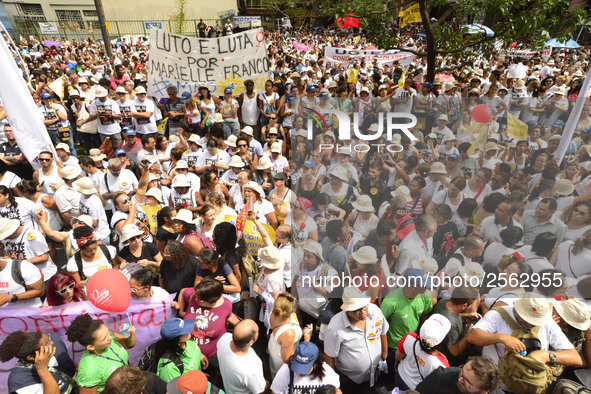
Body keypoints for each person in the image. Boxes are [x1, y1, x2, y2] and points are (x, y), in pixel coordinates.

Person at [324, 286, 389, 394]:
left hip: (373, 373)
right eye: (356, 309)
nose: (362, 311)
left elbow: (383, 331)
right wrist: (333, 383)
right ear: (347, 310)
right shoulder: (335, 327)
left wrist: (384, 353)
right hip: (350, 379)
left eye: (364, 306)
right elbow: (329, 356)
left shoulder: (376, 311)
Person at [66, 314, 136, 393]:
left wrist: (129, 336)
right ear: (91, 347)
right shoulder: (89, 370)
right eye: (104, 339)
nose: (110, 338)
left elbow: (129, 345)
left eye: (108, 332)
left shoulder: (108, 336)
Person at [178, 277, 240, 362]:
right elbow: (182, 292)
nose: (195, 298)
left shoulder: (225, 305)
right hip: (188, 352)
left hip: (213, 355)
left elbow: (229, 316)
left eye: (199, 298)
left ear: (211, 300)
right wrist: (181, 312)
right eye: (195, 295)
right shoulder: (195, 295)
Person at [0, 330, 77, 394]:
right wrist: (43, 370)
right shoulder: (20, 382)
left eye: (48, 339)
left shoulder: (55, 342)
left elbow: (67, 361)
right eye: (47, 344)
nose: (52, 343)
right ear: (30, 357)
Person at [395, 314, 452, 390]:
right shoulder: (442, 364)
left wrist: (397, 362)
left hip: (400, 375)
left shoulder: (410, 337)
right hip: (414, 389)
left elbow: (398, 355)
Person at [146, 317, 208, 382]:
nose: (189, 330)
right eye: (184, 330)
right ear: (176, 339)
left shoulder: (187, 340)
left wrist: (200, 355)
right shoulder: (169, 367)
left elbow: (193, 349)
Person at [216, 319, 267, 394]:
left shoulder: (224, 339)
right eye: (258, 331)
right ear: (251, 342)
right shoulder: (252, 367)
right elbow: (260, 391)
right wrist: (266, 385)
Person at [271, 342, 341, 394]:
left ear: (315, 363)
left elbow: (337, 391)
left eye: (305, 368)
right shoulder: (286, 370)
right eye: (297, 366)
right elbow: (275, 391)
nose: (300, 372)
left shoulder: (327, 373)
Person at [415, 356, 502, 394]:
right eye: (461, 373)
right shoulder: (441, 377)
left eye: (467, 382)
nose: (459, 379)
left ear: (485, 391)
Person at [267, 292, 306, 378]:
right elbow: (286, 358)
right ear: (292, 310)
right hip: (281, 356)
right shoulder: (288, 333)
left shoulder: (273, 314)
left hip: (276, 345)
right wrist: (306, 340)